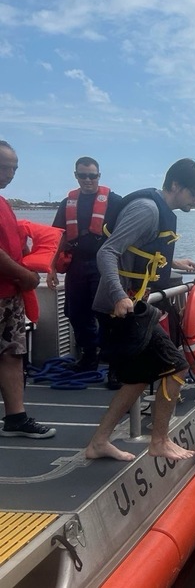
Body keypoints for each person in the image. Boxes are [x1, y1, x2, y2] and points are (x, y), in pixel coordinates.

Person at [84, 158, 195, 461]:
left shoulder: (157, 211)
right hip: (121, 307)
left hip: (133, 305)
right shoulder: (147, 210)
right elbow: (108, 251)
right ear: (176, 186)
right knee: (176, 365)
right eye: (194, 194)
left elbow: (140, 250)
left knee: (139, 376)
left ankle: (99, 442)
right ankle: (159, 441)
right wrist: (118, 296)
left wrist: (174, 262)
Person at [0, 140, 55, 439]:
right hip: (8, 288)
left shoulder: (4, 204)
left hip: (10, 295)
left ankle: (15, 418)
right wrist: (26, 275)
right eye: (3, 167)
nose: (9, 174)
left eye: (14, 168)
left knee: (11, 354)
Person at [47, 157, 123, 372]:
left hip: (105, 265)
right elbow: (59, 237)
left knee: (109, 315)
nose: (88, 180)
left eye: (92, 175)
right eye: (83, 175)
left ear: (99, 176)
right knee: (76, 313)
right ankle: (89, 357)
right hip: (77, 265)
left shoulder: (115, 201)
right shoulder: (67, 203)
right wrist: (51, 267)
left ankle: (115, 366)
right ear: (76, 176)